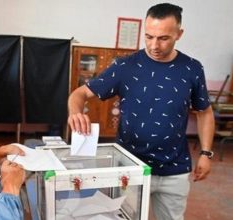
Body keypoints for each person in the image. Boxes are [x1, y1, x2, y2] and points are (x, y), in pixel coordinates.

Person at [67, 3, 215, 220]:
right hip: (130, 166)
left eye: (163, 38)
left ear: (179, 34)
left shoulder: (192, 68)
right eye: (148, 36)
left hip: (174, 169)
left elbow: (204, 112)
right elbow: (78, 94)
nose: (154, 45)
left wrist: (206, 153)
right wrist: (75, 112)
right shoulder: (125, 66)